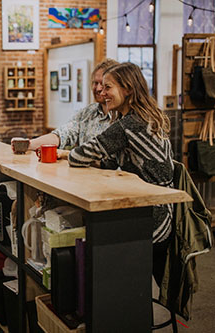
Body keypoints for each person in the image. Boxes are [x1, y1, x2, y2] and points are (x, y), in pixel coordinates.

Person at [67, 62, 174, 282]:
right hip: (155, 210)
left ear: (128, 89)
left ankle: (116, 304)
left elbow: (77, 156)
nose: (102, 93)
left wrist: (69, 154)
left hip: (153, 219)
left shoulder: (129, 125)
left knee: (94, 241)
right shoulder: (139, 118)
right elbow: (108, 163)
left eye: (108, 87)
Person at [27, 58, 119, 150]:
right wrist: (29, 144)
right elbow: (62, 134)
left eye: (103, 84)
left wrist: (66, 155)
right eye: (95, 83)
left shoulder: (123, 118)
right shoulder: (87, 113)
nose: (98, 88)